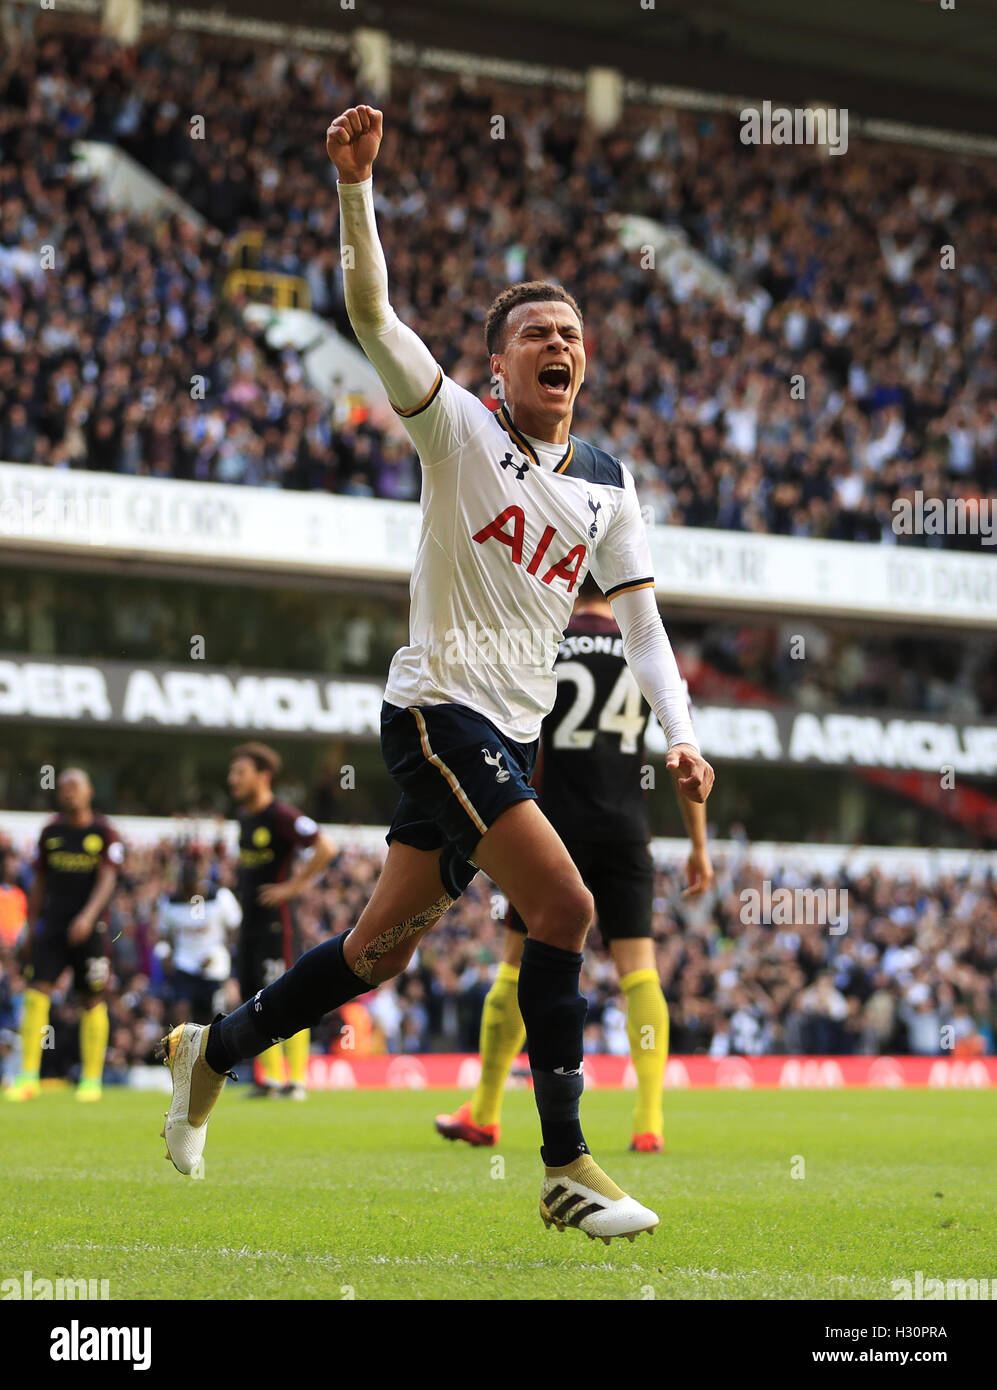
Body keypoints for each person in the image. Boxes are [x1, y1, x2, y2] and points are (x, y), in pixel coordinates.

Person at [160, 106, 713, 1246]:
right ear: (497, 360)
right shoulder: (455, 428)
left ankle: (208, 1051)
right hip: (434, 712)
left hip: (507, 738)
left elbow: (648, 630)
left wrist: (681, 731)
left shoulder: (610, 487)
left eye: (572, 334)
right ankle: (565, 1164)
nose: (559, 346)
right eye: (535, 335)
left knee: (371, 953)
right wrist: (355, 189)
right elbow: (370, 312)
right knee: (564, 903)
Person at [435, 575, 713, 1152]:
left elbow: (508, 734)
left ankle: (485, 1112)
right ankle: (649, 1122)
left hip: (549, 827)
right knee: (639, 968)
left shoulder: (544, 643)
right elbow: (686, 762)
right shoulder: (645, 652)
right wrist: (698, 848)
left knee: (516, 963)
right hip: (625, 830)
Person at [227, 743, 338, 1099]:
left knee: (284, 995)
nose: (232, 780)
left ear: (263, 776)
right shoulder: (244, 819)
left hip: (278, 924)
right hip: (250, 924)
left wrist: (291, 887)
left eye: (239, 773)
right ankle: (271, 1079)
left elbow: (326, 847)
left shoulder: (282, 815)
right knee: (254, 997)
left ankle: (298, 1080)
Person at [7, 769, 123, 1102]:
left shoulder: (104, 832)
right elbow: (40, 883)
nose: (68, 792)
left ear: (89, 792)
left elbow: (107, 879)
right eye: (64, 787)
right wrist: (31, 925)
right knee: (36, 994)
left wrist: (87, 917)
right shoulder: (51, 832)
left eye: (75, 786)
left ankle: (91, 1079)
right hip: (53, 927)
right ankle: (28, 1076)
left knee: (91, 998)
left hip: (91, 930)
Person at [156, 851, 242, 1026]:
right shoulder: (169, 904)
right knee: (181, 1011)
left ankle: (212, 1051)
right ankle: (182, 1052)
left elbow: (235, 928)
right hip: (184, 962)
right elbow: (165, 935)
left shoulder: (220, 898)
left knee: (215, 1015)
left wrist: (223, 953)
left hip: (214, 963)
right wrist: (166, 954)